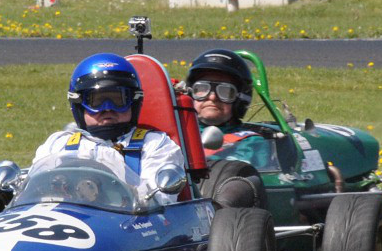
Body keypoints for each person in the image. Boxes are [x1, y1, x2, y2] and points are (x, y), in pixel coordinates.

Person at [32, 53, 185, 205]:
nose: (107, 108)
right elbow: (34, 193)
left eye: (117, 99)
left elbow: (159, 202)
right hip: (66, 217)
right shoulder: (58, 144)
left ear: (133, 102)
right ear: (79, 105)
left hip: (128, 219)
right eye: (96, 100)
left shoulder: (155, 145)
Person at [182, 49, 269, 208]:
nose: (212, 97)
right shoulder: (178, 134)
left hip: (228, 210)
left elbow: (243, 175)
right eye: (202, 88)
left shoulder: (251, 142)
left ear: (239, 99)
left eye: (225, 91)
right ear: (190, 93)